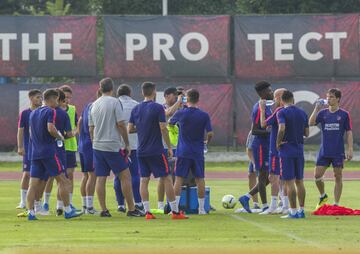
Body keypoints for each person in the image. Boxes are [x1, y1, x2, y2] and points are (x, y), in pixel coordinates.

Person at [128, 81, 188, 220]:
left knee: (144, 180)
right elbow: (163, 127)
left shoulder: (136, 109)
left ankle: (148, 212)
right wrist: (168, 147)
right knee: (167, 178)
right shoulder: (157, 108)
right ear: (154, 92)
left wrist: (143, 128)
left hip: (141, 150)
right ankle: (175, 212)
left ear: (143, 92)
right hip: (156, 150)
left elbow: (130, 129)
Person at [89, 78, 143, 218]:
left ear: (100, 88)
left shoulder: (94, 104)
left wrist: (94, 141)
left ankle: (104, 209)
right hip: (112, 145)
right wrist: (126, 143)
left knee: (101, 177)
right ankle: (131, 209)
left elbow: (91, 128)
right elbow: (120, 124)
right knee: (126, 176)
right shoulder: (115, 102)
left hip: (97, 145)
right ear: (112, 88)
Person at [26, 89, 82, 220]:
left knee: (33, 184)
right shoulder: (51, 111)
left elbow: (30, 132)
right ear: (52, 99)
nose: (57, 103)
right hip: (49, 152)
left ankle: (31, 212)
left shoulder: (33, 113)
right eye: (56, 100)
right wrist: (59, 136)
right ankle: (67, 210)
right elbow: (51, 128)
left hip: (35, 153)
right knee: (63, 180)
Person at [170, 89, 214, 214]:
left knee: (178, 178)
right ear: (198, 99)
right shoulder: (204, 115)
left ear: (187, 99)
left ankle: (175, 209)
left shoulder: (181, 113)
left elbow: (170, 122)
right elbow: (210, 133)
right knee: (200, 179)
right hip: (198, 152)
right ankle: (201, 209)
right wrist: (207, 142)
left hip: (183, 151)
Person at [309, 88, 353, 209]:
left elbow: (349, 132)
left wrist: (350, 149)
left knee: (338, 176)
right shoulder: (322, 113)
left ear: (338, 99)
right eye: (327, 97)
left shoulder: (344, 114)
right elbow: (311, 123)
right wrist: (316, 108)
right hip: (324, 150)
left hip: (338, 151)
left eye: (331, 97)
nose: (328, 99)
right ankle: (323, 195)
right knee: (317, 175)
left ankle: (336, 204)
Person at [238, 81, 273, 213]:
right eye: (269, 91)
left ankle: (246, 197)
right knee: (263, 176)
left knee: (269, 176)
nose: (271, 92)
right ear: (262, 93)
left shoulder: (267, 107)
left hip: (266, 145)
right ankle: (264, 206)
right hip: (260, 146)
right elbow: (255, 130)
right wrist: (271, 131)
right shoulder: (259, 108)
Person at [276, 90, 309, 219]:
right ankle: (301, 210)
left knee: (289, 182)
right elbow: (306, 133)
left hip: (287, 149)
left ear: (282, 101)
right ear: (293, 99)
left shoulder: (281, 112)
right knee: (300, 181)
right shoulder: (302, 112)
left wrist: (278, 142)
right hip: (299, 149)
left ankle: (293, 211)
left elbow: (282, 128)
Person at [113, 84, 143, 213]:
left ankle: (121, 204)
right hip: (134, 144)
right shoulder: (136, 105)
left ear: (118, 94)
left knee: (118, 175)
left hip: (117, 145)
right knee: (134, 174)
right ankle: (137, 202)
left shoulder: (114, 104)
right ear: (130, 93)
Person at [259, 88, 289, 215]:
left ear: (281, 98)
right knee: (285, 178)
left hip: (276, 149)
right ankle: (285, 205)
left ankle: (273, 205)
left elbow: (263, 124)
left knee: (273, 177)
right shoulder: (294, 111)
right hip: (288, 149)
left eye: (276, 97)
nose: (273, 100)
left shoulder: (279, 111)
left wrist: (262, 109)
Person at [157, 87, 184, 211]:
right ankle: (161, 205)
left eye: (180, 96)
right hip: (166, 146)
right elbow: (168, 113)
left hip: (182, 146)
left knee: (181, 176)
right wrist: (179, 102)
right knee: (164, 176)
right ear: (167, 96)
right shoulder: (161, 108)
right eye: (176, 95)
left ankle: (177, 204)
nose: (178, 98)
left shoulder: (183, 109)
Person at [16, 89, 42, 209]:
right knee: (26, 174)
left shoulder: (43, 112)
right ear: (31, 98)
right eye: (37, 97)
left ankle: (38, 202)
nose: (40, 99)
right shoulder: (25, 113)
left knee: (39, 176)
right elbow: (20, 131)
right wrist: (20, 146)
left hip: (40, 149)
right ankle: (22, 201)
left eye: (41, 97)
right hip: (28, 148)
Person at [77, 90, 102, 215]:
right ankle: (90, 208)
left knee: (86, 176)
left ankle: (85, 206)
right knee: (93, 175)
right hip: (90, 145)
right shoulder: (97, 107)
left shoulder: (88, 105)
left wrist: (79, 132)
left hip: (82, 144)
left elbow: (81, 120)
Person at [59, 85, 78, 210]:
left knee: (70, 175)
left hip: (71, 146)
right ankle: (58, 205)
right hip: (59, 147)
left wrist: (74, 133)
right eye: (66, 97)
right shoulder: (54, 110)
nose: (68, 100)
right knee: (59, 177)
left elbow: (77, 125)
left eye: (70, 97)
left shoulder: (72, 109)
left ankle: (69, 203)